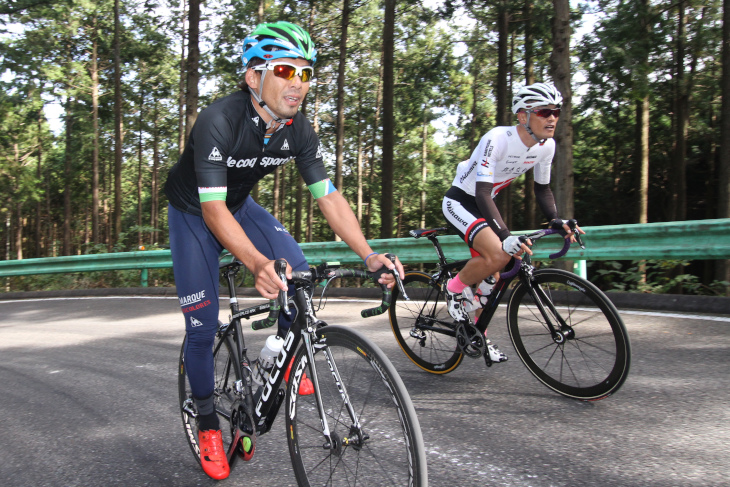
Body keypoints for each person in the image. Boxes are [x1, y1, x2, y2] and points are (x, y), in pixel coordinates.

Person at [164, 21, 404, 480]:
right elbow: (213, 210)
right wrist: (255, 262)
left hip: (240, 205)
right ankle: (210, 425)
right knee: (199, 328)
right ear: (254, 77)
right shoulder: (220, 119)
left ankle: (282, 355)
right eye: (284, 70)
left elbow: (329, 197)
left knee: (299, 273)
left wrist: (369, 255)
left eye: (306, 73)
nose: (298, 83)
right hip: (196, 213)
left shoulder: (298, 128)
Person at [441, 82, 584, 364]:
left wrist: (556, 220)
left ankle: (477, 332)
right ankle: (454, 289)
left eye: (556, 111)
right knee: (499, 253)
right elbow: (481, 192)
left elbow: (542, 189)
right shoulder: (498, 138)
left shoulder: (546, 147)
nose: (552, 117)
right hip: (461, 201)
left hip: (485, 205)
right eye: (544, 111)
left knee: (497, 276)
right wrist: (505, 235)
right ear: (523, 116)